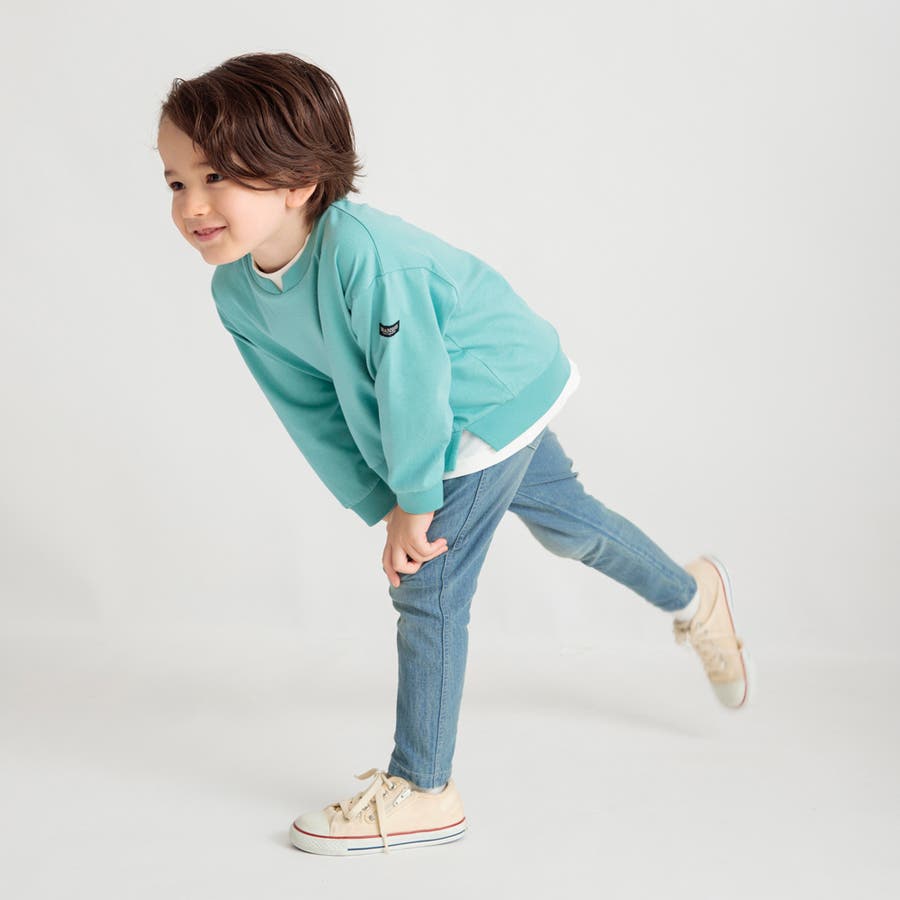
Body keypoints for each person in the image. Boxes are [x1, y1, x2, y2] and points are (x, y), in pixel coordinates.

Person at [155, 51, 753, 857]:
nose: (191, 205)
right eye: (175, 181)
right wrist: (382, 504)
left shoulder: (365, 255)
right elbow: (310, 410)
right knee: (569, 526)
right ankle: (695, 594)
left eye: (215, 178)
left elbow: (415, 384)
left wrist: (415, 502)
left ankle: (424, 788)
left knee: (429, 587)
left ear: (297, 181)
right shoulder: (236, 292)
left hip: (485, 391)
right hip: (447, 412)